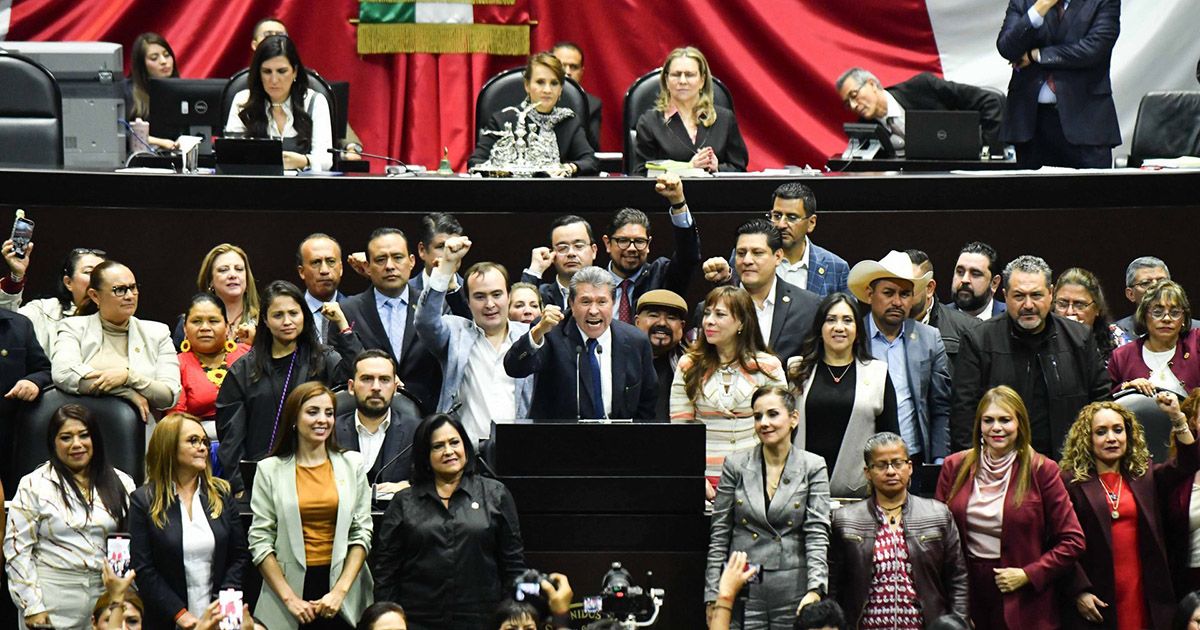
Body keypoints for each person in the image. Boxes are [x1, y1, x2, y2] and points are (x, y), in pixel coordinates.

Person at [936, 386, 1085, 630]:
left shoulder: (1042, 469)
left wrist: (1029, 574)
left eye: (1005, 420)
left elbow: (1073, 541)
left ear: (1020, 424)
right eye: (988, 420)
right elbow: (939, 538)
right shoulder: (954, 466)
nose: (996, 427)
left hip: (1026, 598)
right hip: (968, 595)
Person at [372, 414, 527, 629]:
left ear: (466, 447)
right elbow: (386, 572)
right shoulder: (403, 502)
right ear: (425, 454)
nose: (448, 451)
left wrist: (512, 618)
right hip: (418, 620)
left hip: (483, 620)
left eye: (454, 442)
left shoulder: (495, 494)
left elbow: (513, 565)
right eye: (438, 446)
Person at [951, 255, 1110, 455]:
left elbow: (1101, 403)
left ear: (1050, 294)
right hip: (1001, 464)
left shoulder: (1080, 338)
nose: (1028, 305)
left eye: (1036, 295)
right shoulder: (979, 340)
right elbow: (963, 414)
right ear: (1005, 296)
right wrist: (976, 464)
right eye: (1019, 296)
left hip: (1068, 463)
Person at [1059, 398, 1196, 629]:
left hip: (1145, 592)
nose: (1111, 438)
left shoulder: (1144, 476)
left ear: (1128, 435)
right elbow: (1059, 540)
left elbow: (1188, 462)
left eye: (1118, 430)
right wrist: (1078, 590)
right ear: (1087, 438)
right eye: (1101, 432)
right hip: (1097, 595)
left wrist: (1177, 417)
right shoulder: (1069, 483)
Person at [216, 280, 361, 496]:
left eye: (294, 313)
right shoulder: (244, 369)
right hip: (260, 478)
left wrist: (343, 325)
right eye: (278, 315)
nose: (287, 322)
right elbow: (231, 435)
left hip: (316, 475)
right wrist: (239, 485)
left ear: (304, 316)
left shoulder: (322, 358)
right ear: (265, 320)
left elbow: (359, 376)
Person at [248, 382, 374, 629]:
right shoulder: (269, 470)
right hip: (287, 593)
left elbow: (362, 534)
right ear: (294, 418)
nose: (322, 420)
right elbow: (260, 540)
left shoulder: (353, 464)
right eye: (313, 412)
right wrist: (290, 599)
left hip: (343, 592)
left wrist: (339, 592)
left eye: (329, 413)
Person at [705, 385, 829, 629]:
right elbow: (719, 534)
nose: (764, 423)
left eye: (773, 414)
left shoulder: (813, 466)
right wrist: (713, 596)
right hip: (743, 587)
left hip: (794, 588)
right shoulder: (735, 465)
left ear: (794, 418)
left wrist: (815, 589)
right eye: (757, 416)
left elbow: (817, 533)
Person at [4, 404, 135, 629]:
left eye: (84, 435)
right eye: (66, 437)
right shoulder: (33, 485)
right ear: (53, 443)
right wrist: (31, 606)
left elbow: (134, 544)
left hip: (107, 596)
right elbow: (17, 550)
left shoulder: (123, 482)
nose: (77, 444)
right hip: (52, 596)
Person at [829, 432, 968, 628]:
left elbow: (957, 578)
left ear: (910, 467)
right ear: (867, 472)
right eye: (881, 465)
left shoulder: (938, 514)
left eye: (897, 463)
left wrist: (959, 624)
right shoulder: (845, 519)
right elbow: (833, 586)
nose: (891, 471)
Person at [128, 413, 248, 629]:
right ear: (168, 446)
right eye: (193, 441)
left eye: (204, 441)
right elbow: (144, 569)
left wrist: (224, 604)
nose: (203, 447)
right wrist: (180, 614)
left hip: (219, 616)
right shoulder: (143, 501)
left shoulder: (221, 493)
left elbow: (238, 556)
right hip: (167, 619)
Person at [414, 236, 533, 443]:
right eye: (480, 296)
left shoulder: (529, 337)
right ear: (467, 302)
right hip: (465, 451)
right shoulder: (456, 332)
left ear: (509, 296)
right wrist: (446, 267)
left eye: (497, 294)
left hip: (519, 447)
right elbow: (425, 322)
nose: (490, 304)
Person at [671, 286, 787, 497]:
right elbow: (680, 432)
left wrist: (768, 477)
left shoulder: (768, 366)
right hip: (703, 481)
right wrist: (694, 477)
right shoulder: (688, 365)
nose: (709, 321)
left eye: (720, 314)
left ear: (741, 322)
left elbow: (780, 430)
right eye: (707, 314)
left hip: (757, 480)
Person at [504, 265, 658, 421]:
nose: (593, 311)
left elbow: (647, 404)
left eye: (602, 302)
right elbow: (515, 368)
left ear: (613, 302)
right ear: (571, 303)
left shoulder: (636, 341)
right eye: (585, 302)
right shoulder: (550, 333)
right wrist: (537, 332)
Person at [787, 293, 899, 497]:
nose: (839, 327)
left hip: (858, 495)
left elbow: (890, 439)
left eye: (847, 320)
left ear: (858, 330)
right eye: (831, 320)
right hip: (800, 491)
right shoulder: (797, 369)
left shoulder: (877, 373)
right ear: (820, 328)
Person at [848, 250, 952, 469]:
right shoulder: (854, 338)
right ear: (870, 294)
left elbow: (941, 406)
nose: (897, 301)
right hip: (861, 460)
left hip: (913, 458)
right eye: (888, 293)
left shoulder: (929, 339)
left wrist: (939, 460)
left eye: (905, 294)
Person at [51, 260, 181, 422]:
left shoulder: (158, 333)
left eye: (133, 288)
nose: (129, 296)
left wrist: (129, 377)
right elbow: (63, 374)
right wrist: (125, 392)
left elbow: (168, 396)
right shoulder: (73, 327)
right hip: (84, 427)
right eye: (119, 290)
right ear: (95, 296)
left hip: (142, 429)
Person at [997, 0, 1121, 168]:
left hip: (1086, 121)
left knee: (1091, 185)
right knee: (1030, 185)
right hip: (1031, 123)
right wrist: (1038, 9)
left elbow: (1094, 49)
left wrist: (1037, 55)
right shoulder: (1024, 2)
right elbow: (1007, 48)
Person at [339, 228, 441, 414]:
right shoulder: (347, 311)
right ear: (367, 267)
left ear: (412, 261)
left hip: (427, 417)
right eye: (380, 259)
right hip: (367, 417)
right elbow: (341, 373)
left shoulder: (434, 307)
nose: (389, 266)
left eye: (397, 257)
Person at [701, 220, 820, 365]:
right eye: (741, 253)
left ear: (778, 257)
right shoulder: (708, 310)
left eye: (757, 253)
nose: (747, 260)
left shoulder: (808, 307)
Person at [468, 52, 597, 176]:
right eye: (540, 82)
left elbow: (590, 161)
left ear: (561, 89)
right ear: (527, 85)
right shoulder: (502, 121)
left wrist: (569, 168)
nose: (547, 90)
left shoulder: (569, 122)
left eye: (554, 83)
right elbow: (475, 162)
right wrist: (504, 171)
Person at [835, 67, 1005, 156]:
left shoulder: (923, 88)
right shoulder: (865, 131)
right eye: (847, 103)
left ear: (872, 84)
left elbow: (991, 101)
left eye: (854, 95)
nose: (853, 105)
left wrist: (988, 154)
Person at [224, 34, 333, 171]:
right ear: (258, 74)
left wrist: (303, 161)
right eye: (267, 72)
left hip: (302, 182)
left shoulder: (315, 102)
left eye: (282, 71)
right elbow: (231, 157)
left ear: (295, 72)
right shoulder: (243, 100)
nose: (274, 80)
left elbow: (326, 160)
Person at [633, 46, 748, 175]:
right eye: (676, 75)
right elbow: (641, 174)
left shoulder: (725, 119)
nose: (682, 81)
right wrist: (688, 168)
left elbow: (739, 169)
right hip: (668, 188)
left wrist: (717, 168)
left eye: (690, 75)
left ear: (702, 80)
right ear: (666, 80)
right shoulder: (649, 123)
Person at [171, 293, 251, 472]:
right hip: (200, 451)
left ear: (227, 327)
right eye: (196, 321)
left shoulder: (248, 354)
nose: (205, 328)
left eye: (213, 321)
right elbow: (176, 421)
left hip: (251, 443)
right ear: (185, 328)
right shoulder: (176, 364)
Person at [335, 350, 420, 495]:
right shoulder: (330, 431)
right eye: (367, 379)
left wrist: (409, 487)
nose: (376, 387)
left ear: (395, 388)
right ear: (351, 387)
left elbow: (433, 482)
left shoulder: (417, 431)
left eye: (384, 380)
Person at [1108, 280, 1200, 397]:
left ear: (1184, 318)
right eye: (1157, 312)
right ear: (1144, 316)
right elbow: (1105, 399)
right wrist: (1126, 387)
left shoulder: (1196, 342)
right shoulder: (1122, 356)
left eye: (1175, 312)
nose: (1166, 319)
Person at [7, 247, 106, 351]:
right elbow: (7, 323)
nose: (98, 279)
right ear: (68, 282)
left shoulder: (116, 316)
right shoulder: (44, 311)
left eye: (102, 274)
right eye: (89, 272)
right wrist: (15, 278)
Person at [907, 249, 981, 379]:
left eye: (908, 287)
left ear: (929, 288)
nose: (897, 298)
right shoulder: (877, 327)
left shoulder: (971, 329)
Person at [766, 182, 849, 297]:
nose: (781, 225)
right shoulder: (754, 258)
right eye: (777, 216)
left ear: (811, 223)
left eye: (792, 217)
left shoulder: (836, 268)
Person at [173, 244, 259, 349]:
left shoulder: (264, 322)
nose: (233, 275)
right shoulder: (188, 323)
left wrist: (257, 344)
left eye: (239, 269)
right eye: (223, 270)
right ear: (211, 281)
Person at [521, 215, 598, 312]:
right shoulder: (540, 296)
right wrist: (535, 269)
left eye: (578, 246)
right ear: (552, 253)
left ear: (594, 251)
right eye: (562, 248)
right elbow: (519, 307)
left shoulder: (609, 291)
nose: (571, 253)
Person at [1113, 257, 1200, 340]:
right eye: (1145, 283)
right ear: (1131, 294)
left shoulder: (1197, 330)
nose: (1156, 288)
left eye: (1162, 281)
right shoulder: (1116, 333)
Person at [634, 289, 688, 421]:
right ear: (637, 322)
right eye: (653, 315)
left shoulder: (693, 365)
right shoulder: (620, 360)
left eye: (671, 318)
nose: (662, 323)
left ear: (682, 326)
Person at [1053, 267, 1128, 362]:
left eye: (1079, 305)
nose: (1070, 312)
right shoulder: (1044, 338)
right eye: (1062, 304)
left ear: (1097, 308)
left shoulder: (1116, 338)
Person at [410, 213, 469, 319]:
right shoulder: (404, 291)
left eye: (456, 247)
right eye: (442, 246)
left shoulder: (473, 291)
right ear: (422, 250)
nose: (449, 254)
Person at [127, 32, 180, 150]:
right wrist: (160, 142)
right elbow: (119, 133)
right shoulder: (126, 91)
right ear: (141, 64)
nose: (163, 61)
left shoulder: (179, 91)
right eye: (154, 58)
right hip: (138, 156)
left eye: (167, 55)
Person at [297, 233, 347, 344]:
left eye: (331, 261)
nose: (324, 270)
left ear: (341, 268)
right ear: (302, 272)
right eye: (316, 262)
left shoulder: (356, 311)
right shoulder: (291, 314)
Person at [551, 41, 601, 150]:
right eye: (561, 65)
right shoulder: (535, 99)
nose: (567, 72)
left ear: (581, 72)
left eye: (573, 67)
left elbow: (592, 149)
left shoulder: (591, 105)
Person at [944, 241, 1005, 320]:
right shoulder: (937, 319)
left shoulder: (1011, 318)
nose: (965, 280)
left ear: (994, 283)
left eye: (975, 274)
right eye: (960, 272)